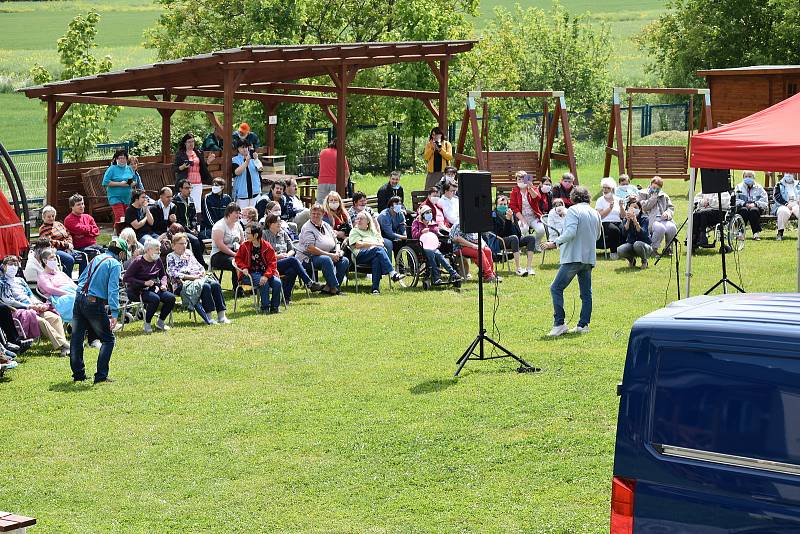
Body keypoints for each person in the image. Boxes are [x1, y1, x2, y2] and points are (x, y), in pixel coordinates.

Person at [541, 186, 601, 337]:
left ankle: (559, 323)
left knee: (556, 288)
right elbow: (598, 236)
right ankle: (583, 324)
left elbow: (570, 232)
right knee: (586, 293)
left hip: (573, 256)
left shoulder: (573, 210)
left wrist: (554, 243)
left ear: (573, 198)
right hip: (588, 258)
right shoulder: (595, 212)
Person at [70, 237, 127, 383]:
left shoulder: (96, 258)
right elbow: (113, 289)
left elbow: (82, 277)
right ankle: (101, 376)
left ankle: (78, 375)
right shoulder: (114, 264)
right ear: (121, 254)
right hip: (93, 303)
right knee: (108, 339)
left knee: (77, 338)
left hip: (79, 298)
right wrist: (114, 312)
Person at [0, 255, 70, 356]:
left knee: (54, 318)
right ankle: (64, 345)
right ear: (4, 266)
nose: (13, 267)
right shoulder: (2, 282)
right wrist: (28, 307)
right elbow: (9, 301)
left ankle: (63, 347)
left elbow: (30, 295)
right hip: (18, 310)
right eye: (10, 264)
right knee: (42, 322)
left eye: (15, 264)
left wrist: (38, 304)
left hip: (33, 307)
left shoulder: (20, 280)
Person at [166, 232, 230, 325]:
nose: (184, 246)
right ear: (173, 246)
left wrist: (202, 272)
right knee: (205, 287)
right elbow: (173, 273)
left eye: (185, 243)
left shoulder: (188, 253)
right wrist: (193, 277)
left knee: (215, 284)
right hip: (182, 284)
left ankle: (221, 316)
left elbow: (199, 266)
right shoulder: (171, 256)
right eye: (181, 244)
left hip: (198, 280)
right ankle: (208, 317)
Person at [263, 214, 324, 303]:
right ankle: (310, 283)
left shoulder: (283, 233)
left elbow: (292, 249)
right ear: (269, 224)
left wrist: (287, 255)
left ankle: (286, 298)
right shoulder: (264, 234)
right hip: (271, 264)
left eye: (280, 221)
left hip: (285, 261)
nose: (279, 223)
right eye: (277, 222)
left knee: (292, 270)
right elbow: (263, 253)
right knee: (293, 260)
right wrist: (278, 256)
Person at [123, 238, 175, 334]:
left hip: (152, 288)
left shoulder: (157, 260)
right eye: (157, 249)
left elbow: (163, 275)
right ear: (148, 250)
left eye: (159, 249)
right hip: (136, 290)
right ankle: (147, 323)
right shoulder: (138, 261)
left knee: (171, 298)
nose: (159, 252)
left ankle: (160, 321)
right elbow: (126, 278)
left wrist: (163, 284)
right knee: (154, 299)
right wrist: (144, 283)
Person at [296, 204, 350, 295]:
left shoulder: (326, 225)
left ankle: (328, 288)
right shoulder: (307, 228)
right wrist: (330, 255)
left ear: (323, 214)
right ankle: (334, 288)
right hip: (309, 258)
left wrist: (337, 252)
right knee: (326, 260)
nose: (316, 215)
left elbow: (336, 241)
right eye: (313, 213)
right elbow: (311, 249)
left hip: (328, 254)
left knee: (344, 260)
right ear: (310, 214)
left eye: (318, 214)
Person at [348, 211, 405, 294]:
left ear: (368, 221)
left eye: (361, 219)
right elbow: (358, 245)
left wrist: (376, 245)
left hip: (374, 253)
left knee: (376, 259)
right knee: (377, 249)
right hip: (360, 255)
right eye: (357, 219)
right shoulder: (354, 231)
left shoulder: (373, 231)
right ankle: (392, 273)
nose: (359, 220)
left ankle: (375, 289)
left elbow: (381, 243)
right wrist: (374, 244)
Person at [235, 224, 282, 313]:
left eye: (248, 233)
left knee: (277, 283)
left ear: (256, 235)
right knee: (264, 283)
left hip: (265, 273)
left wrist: (266, 275)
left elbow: (272, 263)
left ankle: (275, 307)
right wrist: (244, 267)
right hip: (249, 275)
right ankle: (265, 307)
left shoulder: (267, 246)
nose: (246, 235)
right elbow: (237, 259)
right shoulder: (244, 245)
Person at [411, 205, 461, 286]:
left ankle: (453, 273)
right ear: (423, 214)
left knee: (439, 255)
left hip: (433, 246)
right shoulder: (416, 223)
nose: (429, 214)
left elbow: (437, 235)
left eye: (430, 212)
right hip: (421, 246)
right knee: (431, 254)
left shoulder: (433, 224)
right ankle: (436, 277)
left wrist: (438, 242)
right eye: (427, 213)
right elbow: (414, 235)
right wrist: (421, 232)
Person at [491, 194, 535, 276]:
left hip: (513, 238)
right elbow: (501, 233)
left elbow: (518, 233)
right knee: (514, 238)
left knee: (531, 238)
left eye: (505, 204)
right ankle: (518, 268)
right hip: (499, 240)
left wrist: (512, 221)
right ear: (496, 205)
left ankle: (529, 267)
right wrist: (507, 220)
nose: (503, 206)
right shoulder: (493, 215)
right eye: (500, 204)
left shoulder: (511, 213)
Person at [39, 205, 88, 275]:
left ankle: (82, 281)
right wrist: (66, 245)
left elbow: (68, 234)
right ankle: (67, 280)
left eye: (53, 216)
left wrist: (69, 243)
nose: (51, 218)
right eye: (49, 216)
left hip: (67, 248)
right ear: (44, 217)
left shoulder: (58, 224)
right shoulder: (43, 229)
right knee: (69, 259)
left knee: (83, 256)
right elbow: (50, 242)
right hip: (55, 250)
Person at [173, 132, 215, 214]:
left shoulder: (198, 152)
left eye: (192, 141)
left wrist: (208, 162)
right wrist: (182, 167)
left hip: (197, 182)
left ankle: (198, 225)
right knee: (187, 204)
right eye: (189, 142)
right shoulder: (180, 154)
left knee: (197, 205)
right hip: (186, 183)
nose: (191, 144)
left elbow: (202, 167)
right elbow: (174, 168)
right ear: (185, 143)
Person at [36, 248, 78, 323]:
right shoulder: (42, 276)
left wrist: (79, 291)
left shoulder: (61, 273)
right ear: (44, 261)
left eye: (55, 258)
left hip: (71, 293)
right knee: (76, 299)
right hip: (58, 299)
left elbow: (72, 283)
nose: (54, 260)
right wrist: (67, 293)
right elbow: (49, 288)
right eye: (51, 258)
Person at [102, 149, 143, 226]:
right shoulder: (112, 169)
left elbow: (134, 181)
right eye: (120, 158)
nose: (122, 160)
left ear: (126, 159)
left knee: (126, 218)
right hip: (115, 197)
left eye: (123, 158)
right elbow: (105, 182)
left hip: (127, 198)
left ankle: (122, 234)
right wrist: (120, 184)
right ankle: (117, 236)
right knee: (120, 217)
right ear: (116, 159)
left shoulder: (129, 169)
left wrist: (128, 183)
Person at [210, 203, 244, 291]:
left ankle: (249, 286)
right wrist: (234, 254)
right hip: (218, 254)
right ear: (229, 213)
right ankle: (238, 289)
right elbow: (220, 245)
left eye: (239, 213)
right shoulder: (219, 226)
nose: (238, 215)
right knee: (235, 262)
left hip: (234, 252)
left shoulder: (238, 225)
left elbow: (242, 242)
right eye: (236, 213)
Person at [173, 179, 207, 267]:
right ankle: (201, 263)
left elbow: (194, 217)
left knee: (203, 238)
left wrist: (194, 228)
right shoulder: (176, 202)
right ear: (180, 189)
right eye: (186, 188)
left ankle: (197, 261)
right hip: (181, 230)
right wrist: (189, 230)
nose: (189, 190)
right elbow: (178, 220)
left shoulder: (191, 200)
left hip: (191, 229)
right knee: (195, 241)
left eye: (190, 188)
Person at [639, 176, 676, 255]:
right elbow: (644, 207)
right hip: (650, 219)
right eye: (654, 187)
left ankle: (667, 248)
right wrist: (654, 197)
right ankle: (653, 249)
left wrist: (667, 214)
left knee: (672, 228)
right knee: (660, 228)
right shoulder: (643, 193)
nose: (656, 189)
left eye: (658, 188)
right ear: (651, 184)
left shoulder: (664, 195)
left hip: (663, 219)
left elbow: (671, 207)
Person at [509, 171, 545, 247]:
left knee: (541, 230)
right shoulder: (514, 191)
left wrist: (530, 189)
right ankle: (522, 244)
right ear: (516, 181)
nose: (521, 181)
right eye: (519, 179)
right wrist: (522, 219)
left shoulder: (533, 188)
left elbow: (537, 198)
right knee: (523, 229)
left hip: (534, 217)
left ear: (527, 180)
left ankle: (536, 244)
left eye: (523, 179)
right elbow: (513, 207)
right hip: (521, 217)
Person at [64, 194, 104, 259]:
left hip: (93, 245)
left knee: (107, 251)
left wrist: (84, 233)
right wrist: (90, 229)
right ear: (72, 207)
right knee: (96, 253)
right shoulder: (69, 219)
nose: (82, 206)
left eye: (82, 204)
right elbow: (79, 229)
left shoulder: (88, 217)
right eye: (78, 204)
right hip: (80, 247)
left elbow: (96, 231)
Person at [617, 197, 652, 269]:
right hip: (632, 245)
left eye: (635, 207)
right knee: (620, 250)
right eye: (631, 208)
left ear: (640, 209)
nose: (633, 210)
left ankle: (644, 261)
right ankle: (631, 260)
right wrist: (628, 221)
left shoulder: (644, 218)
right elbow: (624, 233)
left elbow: (644, 234)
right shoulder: (626, 219)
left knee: (637, 244)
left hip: (645, 246)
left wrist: (636, 222)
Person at [595, 177, 625, 259]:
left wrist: (621, 207)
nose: (605, 190)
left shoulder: (618, 199)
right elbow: (600, 215)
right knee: (614, 230)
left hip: (618, 221)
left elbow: (623, 216)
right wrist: (609, 208)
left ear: (612, 189)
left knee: (624, 230)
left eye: (607, 188)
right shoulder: (600, 200)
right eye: (604, 188)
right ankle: (614, 252)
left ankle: (623, 251)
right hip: (605, 222)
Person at [734, 171, 767, 240]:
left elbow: (764, 201)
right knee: (744, 210)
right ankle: (741, 233)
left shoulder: (759, 188)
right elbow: (734, 200)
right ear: (743, 178)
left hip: (756, 207)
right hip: (743, 207)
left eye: (750, 176)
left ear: (753, 178)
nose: (747, 178)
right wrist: (744, 204)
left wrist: (755, 204)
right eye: (746, 176)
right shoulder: (738, 187)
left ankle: (756, 234)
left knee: (753, 211)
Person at [232, 139, 263, 209]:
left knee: (255, 216)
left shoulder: (253, 158)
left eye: (246, 147)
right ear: (238, 149)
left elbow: (261, 169)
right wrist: (246, 162)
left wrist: (256, 160)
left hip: (255, 193)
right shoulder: (235, 159)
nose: (245, 149)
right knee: (242, 217)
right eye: (242, 147)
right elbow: (236, 172)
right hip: (242, 195)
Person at [317, 139, 349, 203]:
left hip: (322, 181)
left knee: (321, 203)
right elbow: (346, 172)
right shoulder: (341, 155)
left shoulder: (322, 152)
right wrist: (345, 181)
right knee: (335, 203)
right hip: (335, 182)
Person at [773, 173, 800, 241]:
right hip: (783, 205)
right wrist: (786, 204)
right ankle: (780, 233)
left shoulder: (798, 184)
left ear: (793, 174)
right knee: (783, 212)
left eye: (791, 173)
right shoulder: (779, 184)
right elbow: (776, 196)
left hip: (797, 204)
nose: (789, 175)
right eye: (787, 172)